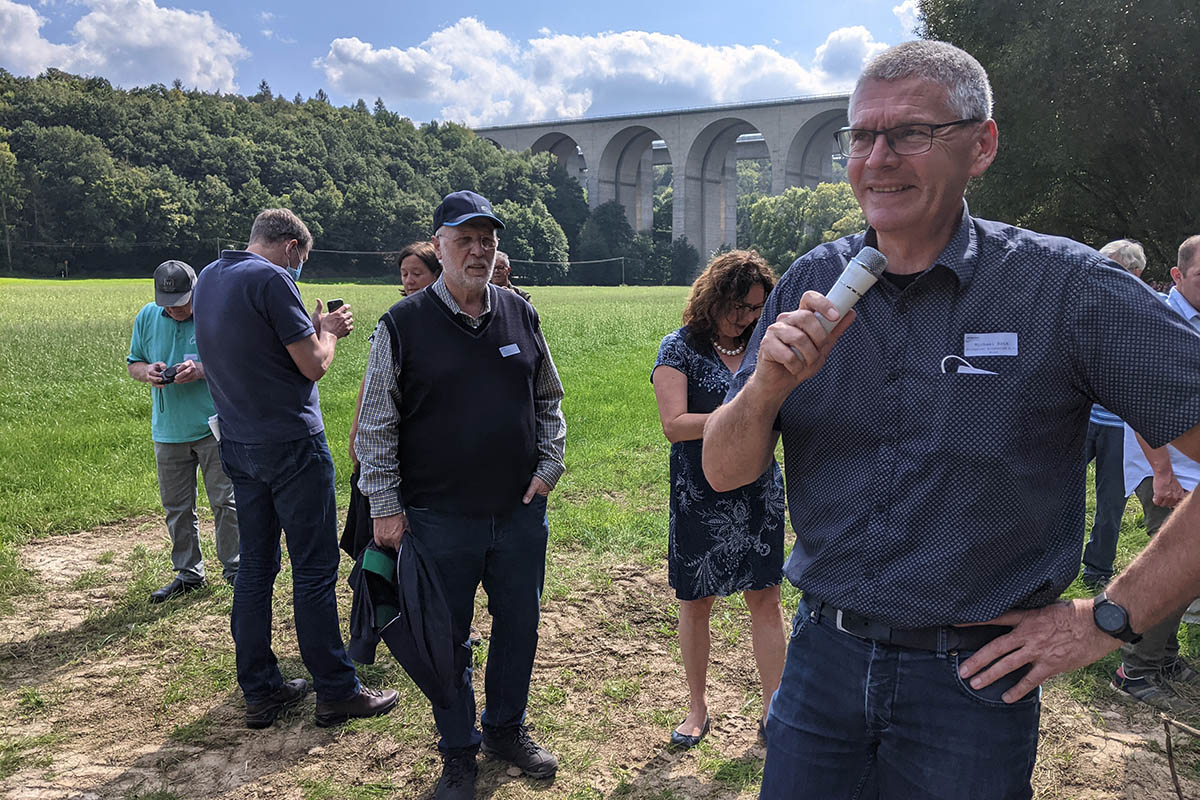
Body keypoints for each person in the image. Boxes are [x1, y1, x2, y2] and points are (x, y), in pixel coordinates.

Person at [702, 41, 1200, 799]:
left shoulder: (1066, 291)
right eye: (862, 135)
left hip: (971, 681)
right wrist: (764, 388)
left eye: (911, 133)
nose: (878, 158)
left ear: (982, 144)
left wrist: (1109, 618)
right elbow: (723, 469)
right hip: (820, 660)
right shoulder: (811, 281)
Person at [356, 190, 566, 800]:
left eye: (487, 239)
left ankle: (504, 728)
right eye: (465, 239)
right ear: (440, 245)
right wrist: (386, 506)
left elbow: (548, 398)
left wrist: (550, 464)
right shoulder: (403, 324)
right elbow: (375, 425)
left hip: (519, 513)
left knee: (519, 626)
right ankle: (458, 751)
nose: (478, 250)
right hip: (436, 519)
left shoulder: (520, 314)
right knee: (446, 638)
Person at [193, 208, 398, 730]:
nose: (300, 268)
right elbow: (314, 364)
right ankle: (337, 690)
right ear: (290, 246)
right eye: (302, 259)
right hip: (291, 443)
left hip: (237, 442)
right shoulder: (273, 278)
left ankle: (261, 689)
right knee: (313, 569)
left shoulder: (213, 277)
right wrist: (326, 329)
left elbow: (256, 350)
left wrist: (305, 330)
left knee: (257, 567)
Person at [651, 250, 786, 749]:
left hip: (759, 493)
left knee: (766, 598)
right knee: (696, 601)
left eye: (757, 309)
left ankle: (776, 708)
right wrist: (744, 416)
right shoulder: (678, 349)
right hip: (698, 495)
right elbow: (675, 425)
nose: (747, 318)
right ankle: (696, 708)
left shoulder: (764, 348)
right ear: (715, 299)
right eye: (740, 307)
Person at [1108, 235, 1200, 709]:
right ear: (1178, 276)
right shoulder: (1156, 319)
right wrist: (1161, 473)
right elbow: (1139, 403)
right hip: (1165, 469)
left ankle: (1162, 656)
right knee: (1176, 570)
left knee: (1190, 572)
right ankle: (1133, 669)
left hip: (1193, 467)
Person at [126, 260, 239, 602]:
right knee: (176, 506)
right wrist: (149, 372)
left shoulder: (216, 314)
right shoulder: (147, 316)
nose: (174, 310)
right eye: (167, 304)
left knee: (226, 502)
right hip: (168, 430)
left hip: (213, 426)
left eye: (181, 303)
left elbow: (238, 364)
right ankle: (189, 574)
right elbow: (134, 363)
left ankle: (236, 569)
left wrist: (201, 370)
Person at [343, 241, 443, 558]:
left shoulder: (446, 319)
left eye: (417, 273)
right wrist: (357, 430)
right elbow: (371, 384)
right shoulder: (394, 322)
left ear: (437, 273)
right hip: (391, 427)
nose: (410, 281)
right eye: (404, 274)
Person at [1079, 238, 1150, 591]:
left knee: (1110, 505)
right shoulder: (1091, 305)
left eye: (1111, 267)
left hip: (1123, 430)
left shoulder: (1153, 312)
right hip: (1082, 419)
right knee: (1047, 488)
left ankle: (1096, 570)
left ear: (1135, 272)